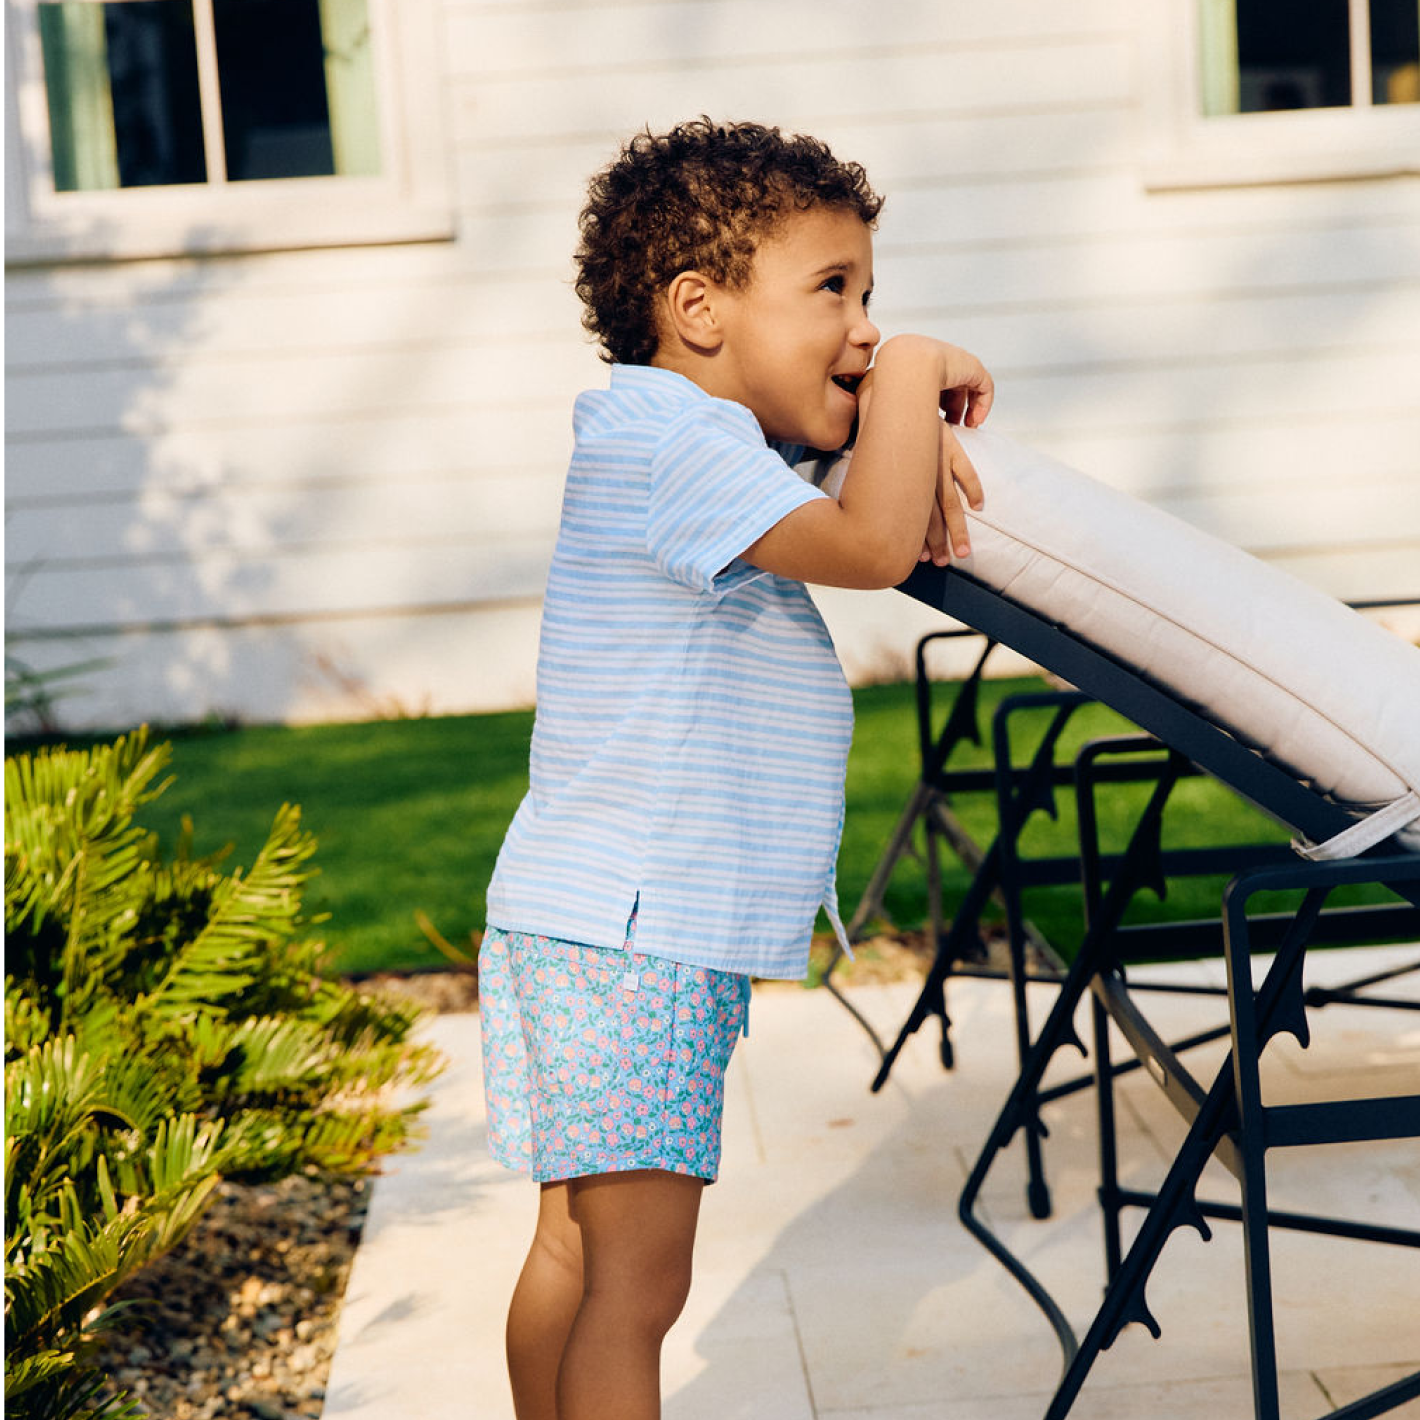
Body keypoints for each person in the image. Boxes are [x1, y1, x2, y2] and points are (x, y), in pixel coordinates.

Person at [478, 116, 994, 1420]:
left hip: (574, 918)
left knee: (574, 1254)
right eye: (835, 290)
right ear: (699, 310)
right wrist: (917, 380)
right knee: (637, 1297)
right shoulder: (679, 448)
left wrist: (890, 438)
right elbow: (876, 549)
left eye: (873, 297)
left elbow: (849, 500)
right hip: (638, 939)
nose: (869, 328)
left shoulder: (664, 439)